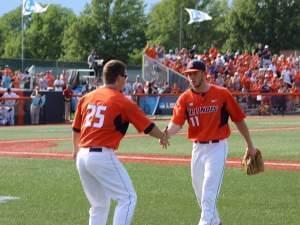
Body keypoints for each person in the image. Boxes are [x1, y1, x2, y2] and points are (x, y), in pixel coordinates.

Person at [72, 59, 169, 225]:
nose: (126, 80)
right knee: (128, 198)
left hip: (82, 155)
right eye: (125, 76)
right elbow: (147, 126)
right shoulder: (122, 100)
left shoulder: (87, 97)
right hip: (101, 154)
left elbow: (76, 128)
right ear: (118, 78)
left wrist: (76, 150)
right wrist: (162, 136)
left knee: (99, 205)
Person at [163, 59, 257, 225]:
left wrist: (250, 145)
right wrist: (166, 133)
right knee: (200, 194)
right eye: (188, 74)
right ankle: (215, 222)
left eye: (195, 73)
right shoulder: (184, 98)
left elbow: (239, 120)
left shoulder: (222, 94)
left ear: (203, 74)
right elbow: (176, 124)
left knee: (208, 194)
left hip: (217, 148)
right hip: (197, 149)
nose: (191, 77)